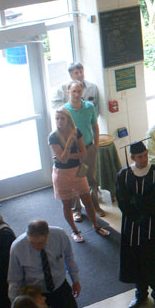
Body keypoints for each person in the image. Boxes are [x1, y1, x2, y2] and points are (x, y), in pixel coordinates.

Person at [7, 219, 81, 308]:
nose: (36, 247)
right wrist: (15, 306)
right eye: (32, 243)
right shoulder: (17, 247)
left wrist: (75, 280)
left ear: (47, 234)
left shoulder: (59, 235)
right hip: (36, 294)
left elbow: (69, 258)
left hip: (59, 286)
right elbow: (15, 280)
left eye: (40, 243)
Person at [117, 141, 155, 308]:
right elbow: (122, 199)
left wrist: (141, 209)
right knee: (136, 257)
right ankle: (140, 293)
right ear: (133, 158)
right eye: (140, 156)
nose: (144, 159)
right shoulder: (124, 175)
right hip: (132, 224)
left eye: (146, 155)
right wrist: (135, 216)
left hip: (153, 222)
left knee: (154, 256)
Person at [47, 107, 109, 243]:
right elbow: (63, 160)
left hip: (76, 171)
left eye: (62, 118)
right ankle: (74, 231)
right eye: (57, 119)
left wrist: (65, 155)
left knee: (87, 200)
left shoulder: (76, 132)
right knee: (67, 204)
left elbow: (82, 153)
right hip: (62, 174)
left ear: (68, 119)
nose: (59, 121)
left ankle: (96, 226)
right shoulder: (53, 137)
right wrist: (69, 144)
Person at [63, 81, 105, 219]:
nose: (76, 94)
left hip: (89, 148)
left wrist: (96, 145)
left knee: (91, 179)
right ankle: (76, 210)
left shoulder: (89, 107)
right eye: (73, 91)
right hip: (74, 152)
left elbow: (95, 126)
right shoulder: (64, 110)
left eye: (79, 91)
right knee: (75, 180)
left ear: (82, 92)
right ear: (68, 92)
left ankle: (95, 206)